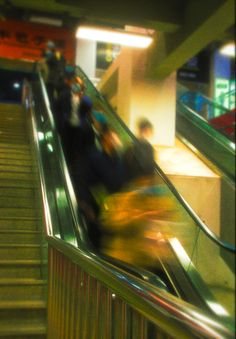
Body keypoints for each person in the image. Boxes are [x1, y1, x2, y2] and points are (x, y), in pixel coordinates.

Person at [123, 117, 156, 181]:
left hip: (130, 181)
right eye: (151, 130)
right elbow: (149, 168)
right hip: (141, 182)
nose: (151, 133)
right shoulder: (147, 147)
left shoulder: (130, 145)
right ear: (146, 130)